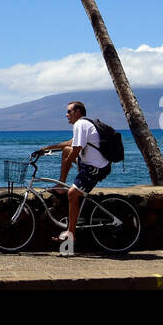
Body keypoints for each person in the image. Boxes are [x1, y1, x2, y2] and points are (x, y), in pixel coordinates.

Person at [33, 100, 111, 246]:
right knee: (66, 151)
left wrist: (68, 162)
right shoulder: (83, 124)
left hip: (95, 167)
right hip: (91, 165)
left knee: (73, 194)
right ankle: (60, 186)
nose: (66, 114)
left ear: (77, 112)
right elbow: (69, 144)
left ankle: (71, 234)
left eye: (69, 111)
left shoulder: (80, 124)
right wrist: (45, 148)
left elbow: (77, 148)